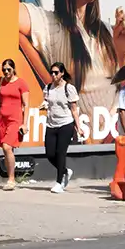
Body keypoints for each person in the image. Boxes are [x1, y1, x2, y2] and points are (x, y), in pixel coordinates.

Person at [0, 58, 30, 190]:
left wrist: (25, 124)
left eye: (8, 69)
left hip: (15, 120)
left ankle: (11, 179)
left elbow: (26, 104)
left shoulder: (21, 83)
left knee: (7, 147)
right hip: (2, 119)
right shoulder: (0, 81)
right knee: (5, 150)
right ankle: (10, 177)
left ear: (14, 69)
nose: (6, 72)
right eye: (4, 70)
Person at [42, 61, 82, 194]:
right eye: (51, 72)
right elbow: (47, 102)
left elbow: (74, 110)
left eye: (56, 73)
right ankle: (65, 171)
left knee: (60, 153)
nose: (53, 75)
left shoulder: (68, 88)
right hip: (51, 124)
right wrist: (44, 105)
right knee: (49, 153)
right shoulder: (48, 88)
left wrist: (78, 127)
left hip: (66, 123)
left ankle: (59, 183)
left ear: (62, 73)